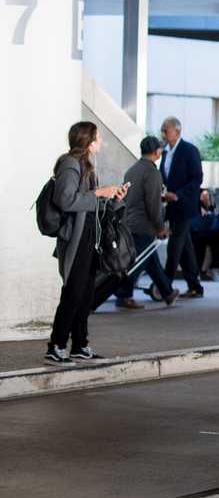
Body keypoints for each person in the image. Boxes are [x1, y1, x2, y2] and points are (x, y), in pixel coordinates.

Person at [46, 122, 128, 364]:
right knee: (73, 291)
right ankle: (56, 346)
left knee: (86, 293)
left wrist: (113, 199)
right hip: (76, 239)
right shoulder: (70, 164)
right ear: (88, 140)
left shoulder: (87, 166)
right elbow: (65, 200)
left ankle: (80, 345)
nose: (100, 140)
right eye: (98, 137)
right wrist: (99, 193)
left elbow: (91, 206)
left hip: (90, 237)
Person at [114, 136, 176, 310]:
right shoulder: (152, 173)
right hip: (144, 225)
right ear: (157, 152)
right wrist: (159, 227)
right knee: (137, 263)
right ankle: (124, 295)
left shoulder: (132, 170)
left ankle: (168, 293)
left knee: (149, 260)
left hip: (129, 222)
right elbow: (153, 204)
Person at [158, 117, 205, 299]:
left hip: (185, 204)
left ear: (177, 132)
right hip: (171, 204)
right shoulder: (165, 152)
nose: (163, 133)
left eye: (166, 130)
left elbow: (196, 178)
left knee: (175, 245)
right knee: (185, 246)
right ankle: (195, 286)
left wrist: (179, 194)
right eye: (162, 130)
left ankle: (165, 284)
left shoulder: (189, 150)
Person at [192, 189, 219, 281]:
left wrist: (206, 202)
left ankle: (214, 269)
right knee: (199, 242)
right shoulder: (187, 193)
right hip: (195, 230)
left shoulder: (204, 194)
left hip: (208, 229)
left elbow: (211, 211)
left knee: (218, 239)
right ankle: (196, 271)